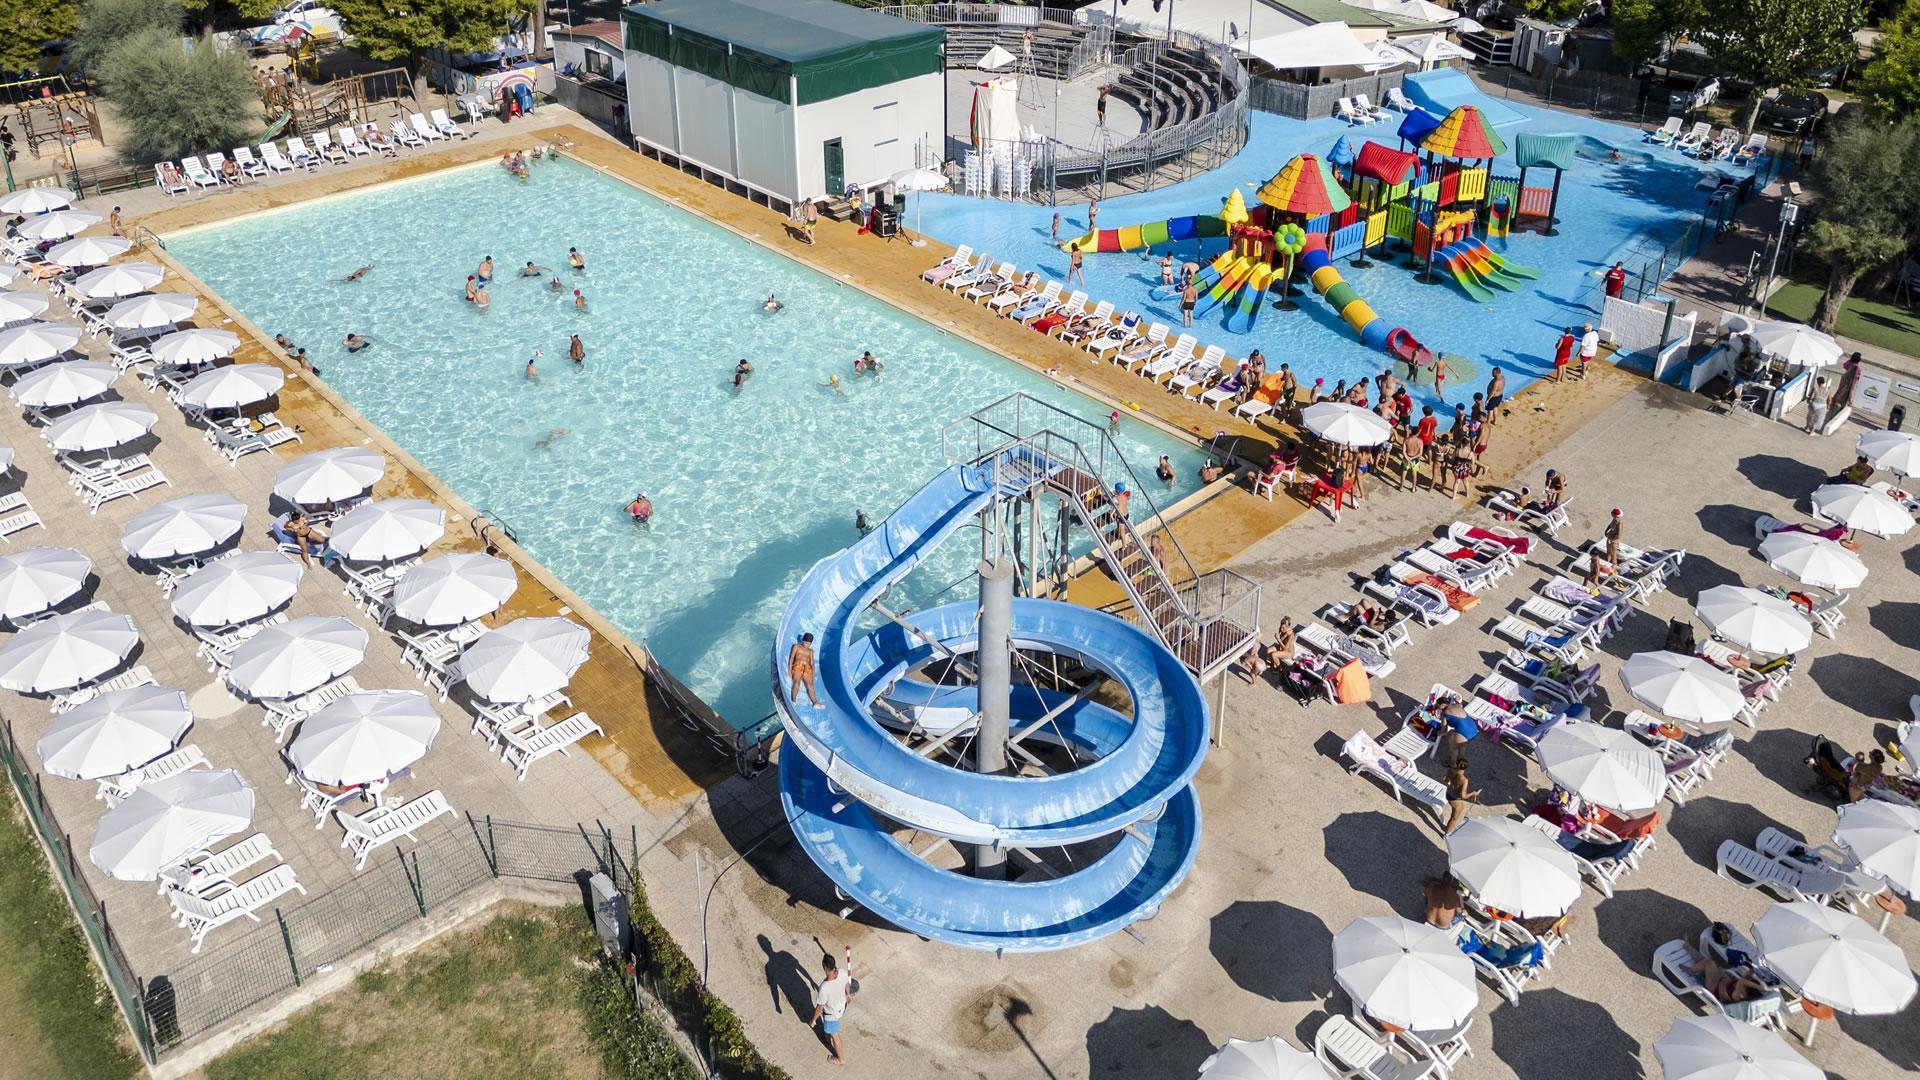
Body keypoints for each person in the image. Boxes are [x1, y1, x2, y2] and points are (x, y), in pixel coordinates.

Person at [810, 950, 853, 1065]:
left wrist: (813, 1020)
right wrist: (848, 994)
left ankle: (840, 1059)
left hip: (831, 1016)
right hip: (842, 1008)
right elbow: (847, 984)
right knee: (829, 1031)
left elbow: (819, 1008)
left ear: (824, 967)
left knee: (836, 1038)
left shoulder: (824, 988)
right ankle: (827, 1035)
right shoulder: (843, 972)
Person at [1587, 508, 1623, 591]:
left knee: (1613, 554)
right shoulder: (1614, 520)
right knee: (1608, 552)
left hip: (1614, 541)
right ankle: (1608, 564)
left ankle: (1614, 568)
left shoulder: (1619, 523)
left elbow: (1619, 535)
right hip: (1610, 538)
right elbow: (1609, 526)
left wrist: (1612, 539)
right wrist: (1606, 531)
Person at [1443, 758, 1480, 834]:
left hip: (1448, 794)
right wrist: (1473, 793)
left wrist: (1452, 783)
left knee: (1454, 815)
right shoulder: (1464, 780)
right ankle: (1446, 834)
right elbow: (1463, 796)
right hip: (1455, 800)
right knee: (1454, 818)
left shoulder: (1450, 770)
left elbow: (1445, 779)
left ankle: (1448, 829)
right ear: (1465, 767)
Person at [789, 633, 822, 708]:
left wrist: (813, 675)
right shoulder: (796, 646)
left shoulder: (811, 651)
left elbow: (812, 664)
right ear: (803, 640)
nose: (807, 645)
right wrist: (789, 670)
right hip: (798, 666)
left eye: (809, 644)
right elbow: (791, 657)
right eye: (806, 643)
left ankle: (815, 703)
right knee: (797, 682)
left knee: (810, 686)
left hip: (807, 669)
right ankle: (793, 701)